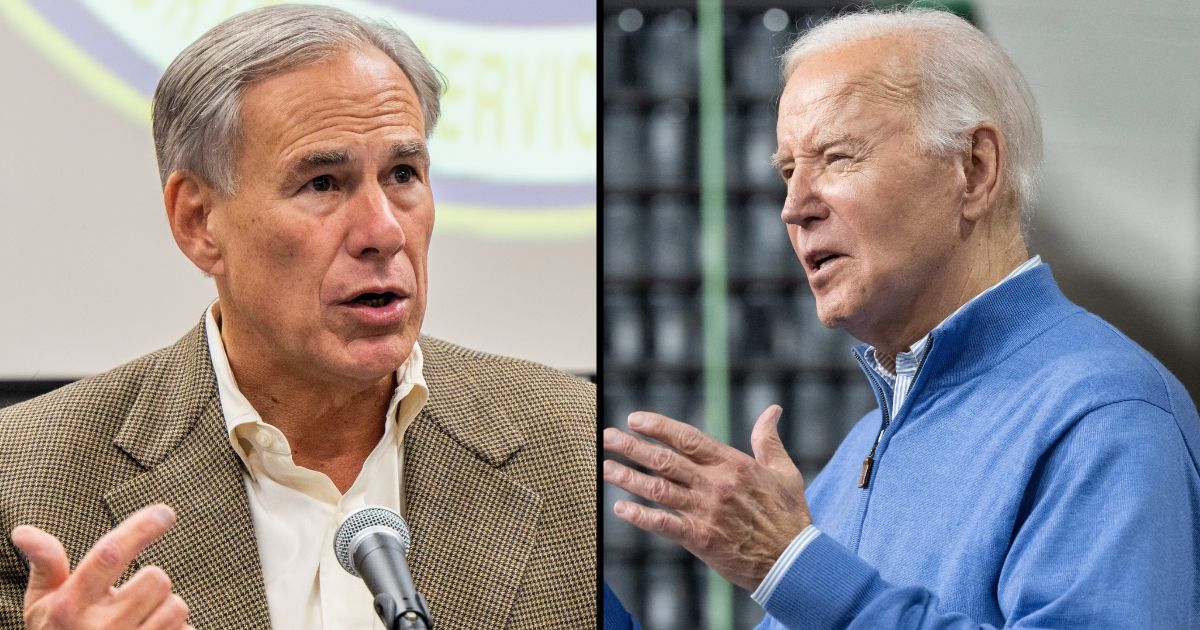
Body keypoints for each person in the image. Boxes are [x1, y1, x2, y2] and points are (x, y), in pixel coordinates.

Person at [603, 7, 1200, 629]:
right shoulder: (860, 450)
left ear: (973, 170)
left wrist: (791, 565)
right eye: (787, 171)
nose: (793, 206)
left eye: (835, 158)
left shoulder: (1106, 417)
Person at [0, 5, 595, 629]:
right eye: (323, 183)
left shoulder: (574, 441)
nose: (383, 231)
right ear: (198, 222)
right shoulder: (23, 484)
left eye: (402, 174)